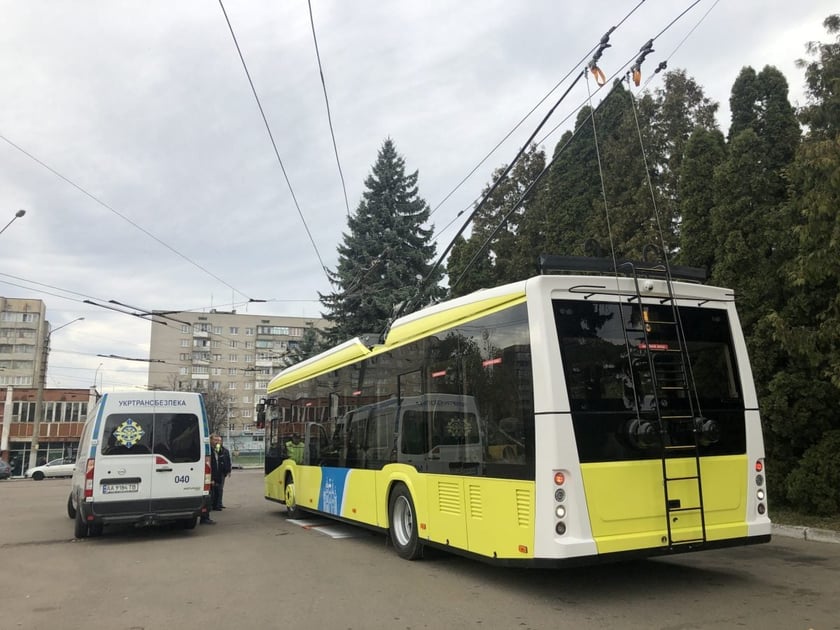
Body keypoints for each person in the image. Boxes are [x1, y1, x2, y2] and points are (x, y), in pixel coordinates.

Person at [210, 434, 232, 511]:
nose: (218, 442)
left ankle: (219, 503)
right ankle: (214, 504)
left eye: (219, 440)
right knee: (214, 489)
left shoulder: (224, 450)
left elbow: (228, 461)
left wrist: (229, 470)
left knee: (220, 488)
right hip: (215, 472)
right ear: (211, 440)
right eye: (216, 440)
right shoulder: (212, 449)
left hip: (222, 471)